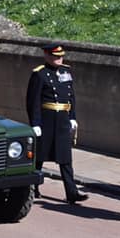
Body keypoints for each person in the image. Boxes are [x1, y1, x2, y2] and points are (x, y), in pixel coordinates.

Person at [25, 43, 88, 203]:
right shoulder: (39, 74)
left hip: (62, 120)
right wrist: (35, 123)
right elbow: (33, 101)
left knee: (65, 157)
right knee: (39, 157)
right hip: (47, 119)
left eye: (60, 56)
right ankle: (33, 188)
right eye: (55, 56)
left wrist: (72, 117)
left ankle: (71, 192)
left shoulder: (66, 72)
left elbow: (71, 96)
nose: (59, 59)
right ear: (47, 56)